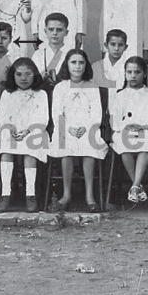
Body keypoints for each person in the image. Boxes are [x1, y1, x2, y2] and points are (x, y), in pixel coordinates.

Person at [48, 49, 107, 212]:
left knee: (89, 148)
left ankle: (89, 195)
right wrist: (69, 128)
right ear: (67, 64)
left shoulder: (92, 87)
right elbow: (57, 113)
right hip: (65, 128)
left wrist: (85, 127)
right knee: (65, 148)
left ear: (86, 65)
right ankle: (66, 194)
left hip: (88, 128)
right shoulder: (60, 87)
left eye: (81, 62)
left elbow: (96, 114)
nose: (77, 66)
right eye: (73, 62)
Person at [0, 57, 48, 213]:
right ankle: (5, 193)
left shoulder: (40, 94)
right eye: (19, 74)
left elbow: (43, 118)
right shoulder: (8, 94)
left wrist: (28, 130)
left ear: (34, 75)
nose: (23, 78)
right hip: (11, 131)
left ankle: (30, 194)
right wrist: (10, 128)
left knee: (30, 151)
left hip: (34, 131)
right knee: (6, 151)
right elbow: (2, 117)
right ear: (13, 76)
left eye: (28, 74)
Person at [109, 56, 148, 204]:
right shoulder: (119, 96)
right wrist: (125, 127)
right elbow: (114, 120)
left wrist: (144, 126)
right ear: (125, 73)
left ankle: (134, 186)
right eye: (129, 72)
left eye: (137, 72)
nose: (133, 76)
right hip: (125, 131)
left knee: (144, 147)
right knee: (124, 147)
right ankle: (137, 186)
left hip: (146, 130)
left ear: (144, 74)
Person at [31, 12, 70, 86]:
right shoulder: (38, 54)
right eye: (51, 29)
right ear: (45, 31)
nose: (55, 33)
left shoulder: (71, 54)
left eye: (59, 30)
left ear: (66, 32)